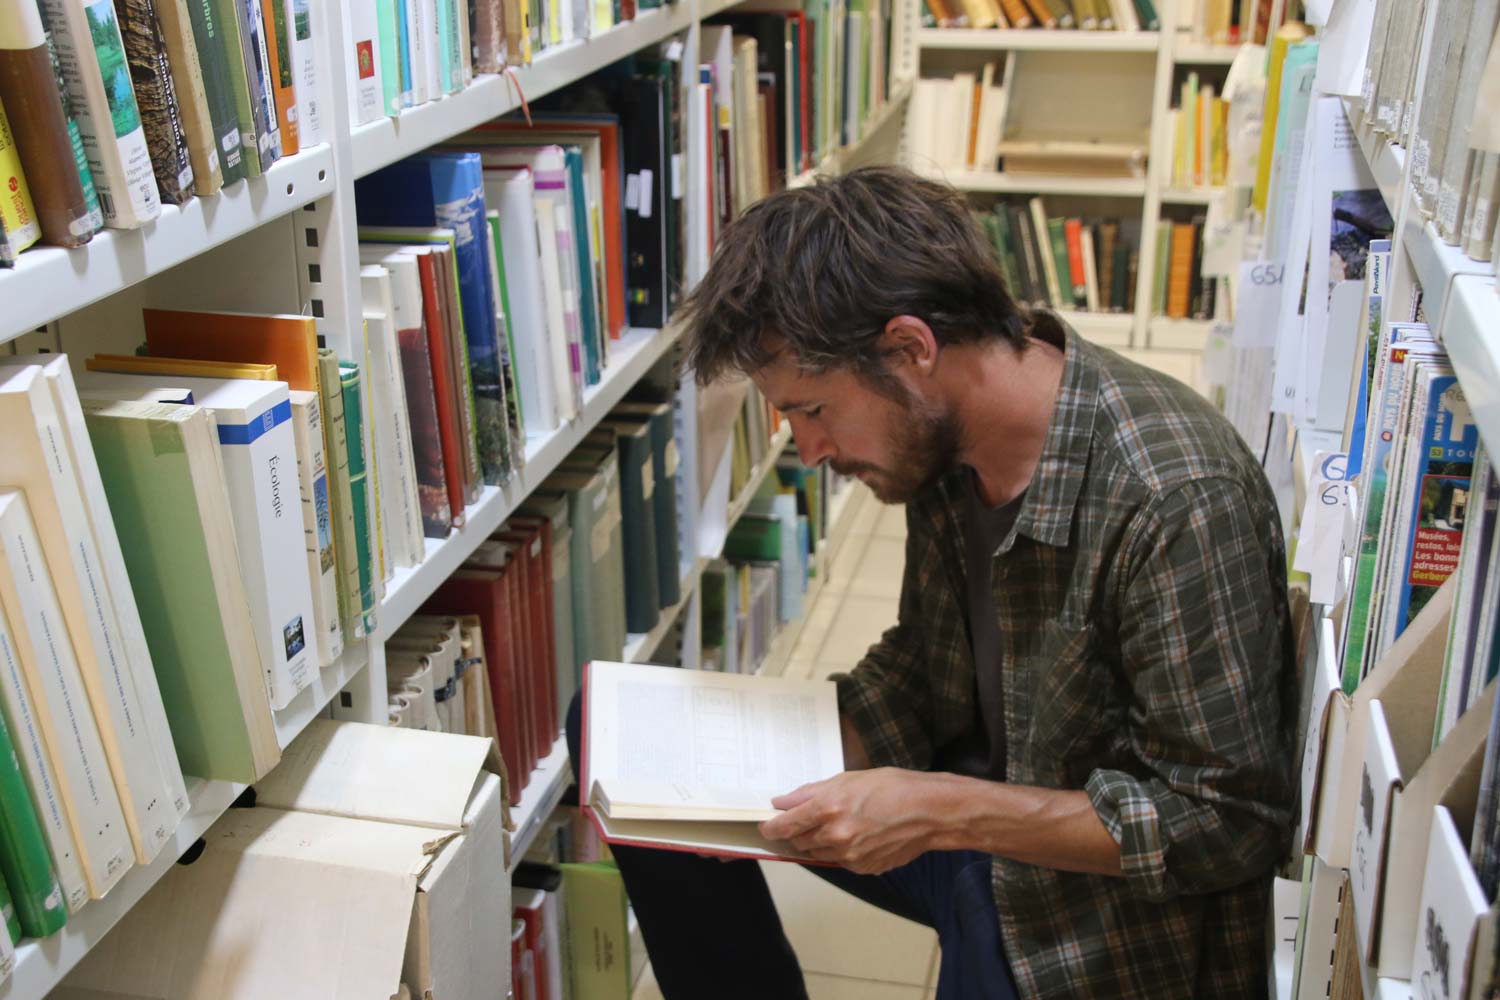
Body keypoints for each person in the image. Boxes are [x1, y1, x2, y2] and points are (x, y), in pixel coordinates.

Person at [565, 166, 1297, 999]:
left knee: (982, 902)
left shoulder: (1174, 498)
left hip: (1092, 908)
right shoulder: (945, 449)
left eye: (813, 410)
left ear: (911, 348)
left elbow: (1229, 824)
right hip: (971, 828)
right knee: (616, 737)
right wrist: (740, 779)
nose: (808, 451)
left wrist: (941, 810)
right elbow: (924, 662)